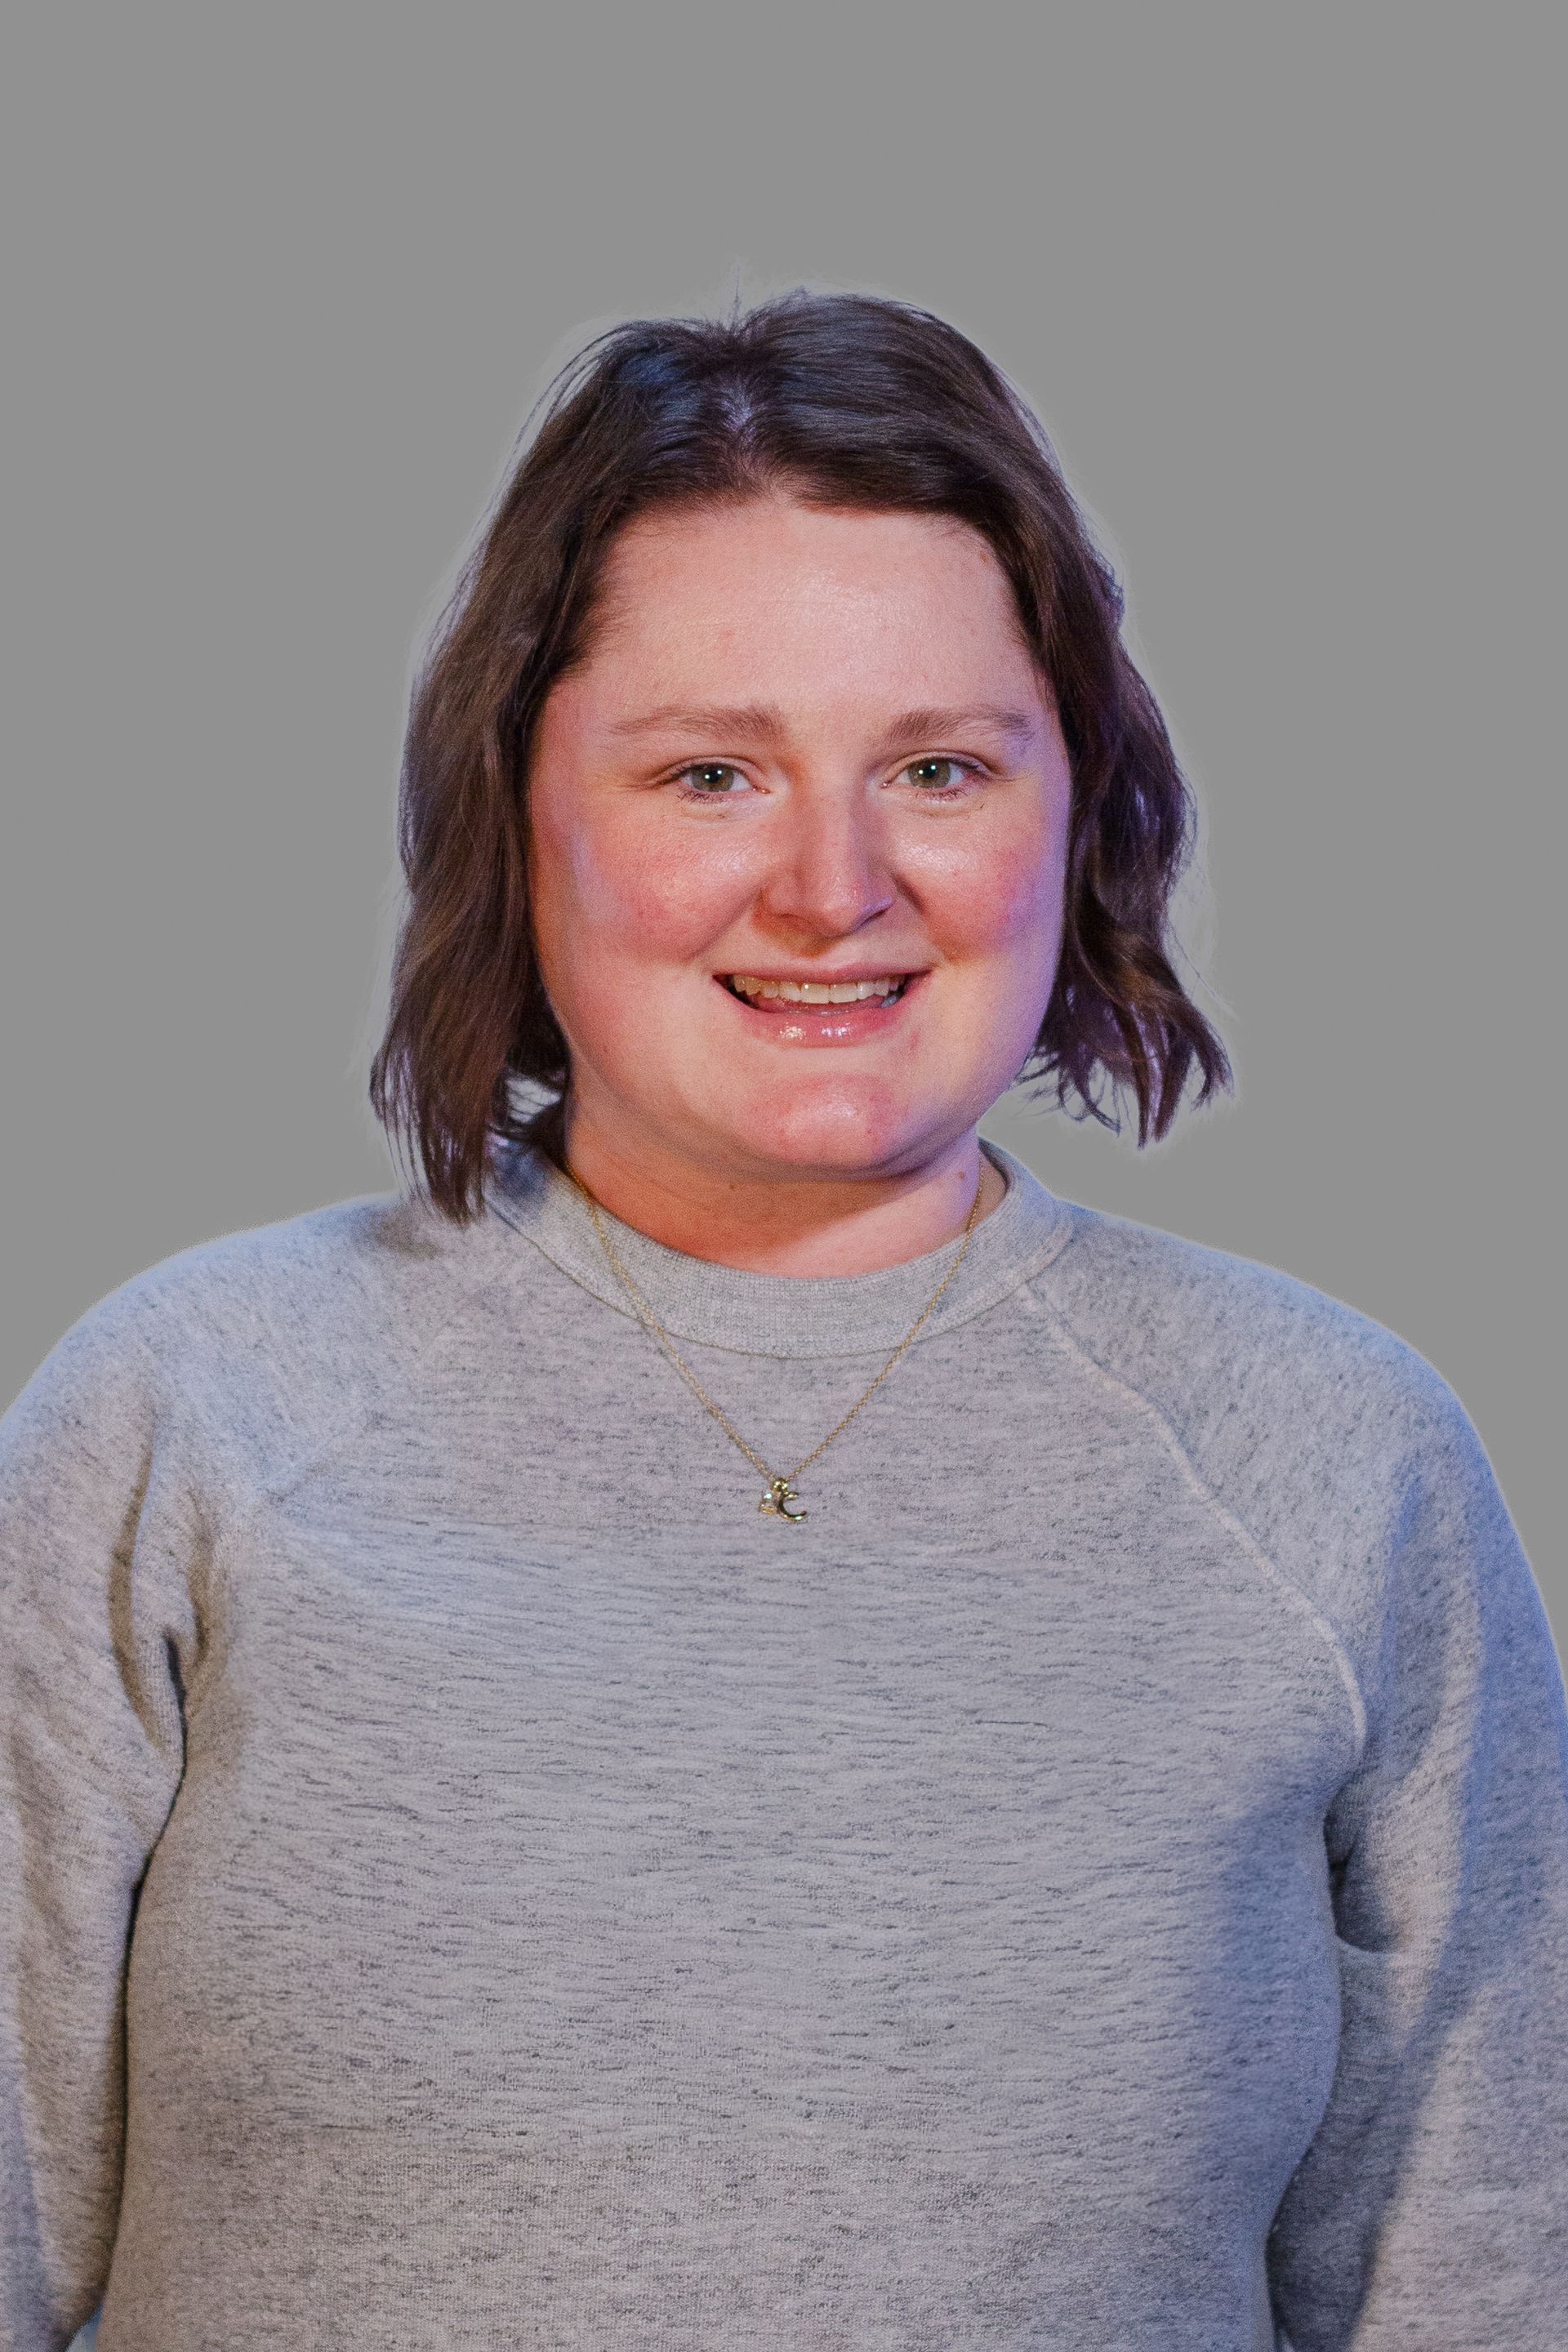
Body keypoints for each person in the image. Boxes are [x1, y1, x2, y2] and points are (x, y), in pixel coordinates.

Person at [2, 291, 1564, 2352]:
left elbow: (1486, 2286)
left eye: (935, 764)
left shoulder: (1337, 1461)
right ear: (522, 815)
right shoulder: (185, 1417)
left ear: (1071, 811)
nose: (834, 888)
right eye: (711, 773)